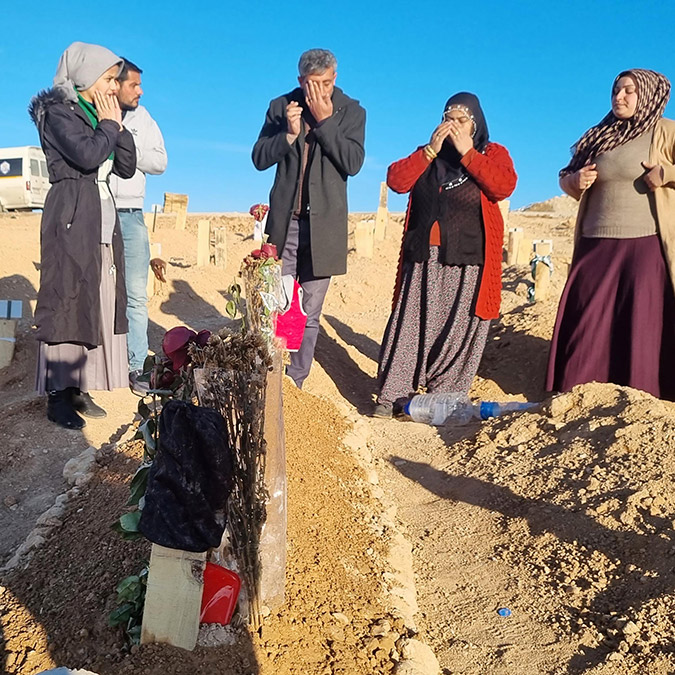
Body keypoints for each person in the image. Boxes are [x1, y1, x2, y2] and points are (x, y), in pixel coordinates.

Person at [374, 93, 517, 418]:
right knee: (411, 323)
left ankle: (444, 398)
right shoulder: (428, 154)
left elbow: (503, 186)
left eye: (461, 120)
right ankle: (393, 395)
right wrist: (429, 150)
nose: (452, 126)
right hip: (423, 256)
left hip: (470, 258)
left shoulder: (492, 153)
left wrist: (468, 153)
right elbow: (396, 181)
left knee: (458, 326)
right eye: (447, 119)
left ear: (475, 125)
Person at [547, 69, 675, 400]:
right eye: (616, 90)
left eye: (629, 91)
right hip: (595, 243)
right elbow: (566, 175)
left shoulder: (665, 131)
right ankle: (577, 393)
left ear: (648, 94)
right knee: (588, 320)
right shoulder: (600, 135)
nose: (619, 97)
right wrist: (574, 181)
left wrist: (666, 173)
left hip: (645, 244)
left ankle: (640, 394)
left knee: (640, 323)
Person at [29, 42, 137, 429]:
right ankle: (58, 394)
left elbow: (126, 166)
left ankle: (80, 385)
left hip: (100, 220)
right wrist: (108, 125)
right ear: (86, 77)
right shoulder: (58, 112)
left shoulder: (99, 115)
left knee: (94, 300)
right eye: (108, 79)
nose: (114, 87)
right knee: (67, 298)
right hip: (71, 214)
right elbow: (88, 156)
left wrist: (116, 123)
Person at [252, 48, 366, 388]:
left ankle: (296, 381)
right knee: (277, 305)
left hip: (324, 229)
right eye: (312, 84)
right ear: (300, 80)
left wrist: (326, 122)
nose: (319, 91)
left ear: (335, 77)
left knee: (309, 311)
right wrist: (288, 134)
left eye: (326, 83)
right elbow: (259, 158)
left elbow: (353, 163)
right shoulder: (280, 106)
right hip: (285, 224)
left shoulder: (351, 111)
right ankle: (272, 377)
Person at [110, 58, 168, 394]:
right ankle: (100, 367)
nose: (140, 91)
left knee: (135, 294)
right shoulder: (94, 113)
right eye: (134, 84)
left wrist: (127, 150)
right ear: (114, 84)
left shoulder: (143, 119)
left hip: (132, 214)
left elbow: (160, 161)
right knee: (98, 292)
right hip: (99, 210)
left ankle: (135, 367)